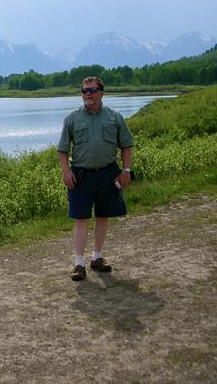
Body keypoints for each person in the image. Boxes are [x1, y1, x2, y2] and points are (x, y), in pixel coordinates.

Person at [57, 76, 134, 281]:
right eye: (84, 91)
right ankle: (79, 264)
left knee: (103, 216)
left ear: (101, 92)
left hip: (108, 174)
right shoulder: (72, 119)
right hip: (80, 176)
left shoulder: (114, 117)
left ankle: (97, 258)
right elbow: (62, 149)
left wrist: (126, 170)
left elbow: (126, 144)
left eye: (91, 90)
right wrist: (66, 172)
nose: (87, 94)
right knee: (81, 218)